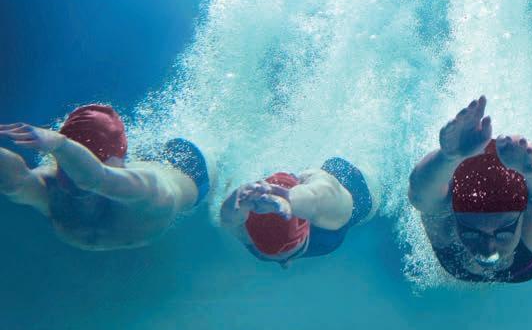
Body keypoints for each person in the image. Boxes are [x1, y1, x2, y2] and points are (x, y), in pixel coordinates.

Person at [408, 96, 532, 284]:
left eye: (504, 233)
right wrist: (448, 158)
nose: (488, 249)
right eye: (471, 233)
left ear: (525, 211)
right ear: (453, 213)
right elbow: (419, 195)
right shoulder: (446, 222)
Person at [0, 104, 210, 250]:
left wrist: (60, 145)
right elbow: (15, 182)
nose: (72, 178)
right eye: (66, 166)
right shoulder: (53, 183)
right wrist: (61, 149)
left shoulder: (146, 188)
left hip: (191, 169)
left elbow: (93, 179)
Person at [219, 157, 376, 267]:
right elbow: (228, 218)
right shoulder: (248, 233)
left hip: (352, 183)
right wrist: (237, 199)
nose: (285, 263)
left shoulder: (331, 206)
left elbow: (316, 197)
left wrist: (289, 198)